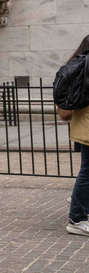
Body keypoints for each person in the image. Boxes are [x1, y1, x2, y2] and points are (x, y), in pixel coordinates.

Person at [58, 35, 89, 236]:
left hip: (83, 124)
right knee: (87, 172)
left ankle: (80, 201)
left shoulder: (79, 64)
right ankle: (77, 218)